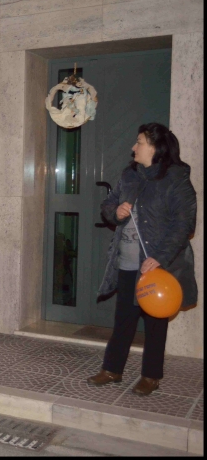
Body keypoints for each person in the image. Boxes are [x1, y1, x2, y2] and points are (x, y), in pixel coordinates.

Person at [88, 123, 198, 396]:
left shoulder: (176, 179)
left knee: (155, 322)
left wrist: (159, 258)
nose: (133, 148)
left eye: (139, 142)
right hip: (127, 262)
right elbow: (108, 205)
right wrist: (117, 211)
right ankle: (112, 369)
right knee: (123, 319)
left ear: (155, 147)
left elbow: (183, 225)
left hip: (157, 266)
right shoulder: (129, 175)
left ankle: (151, 376)